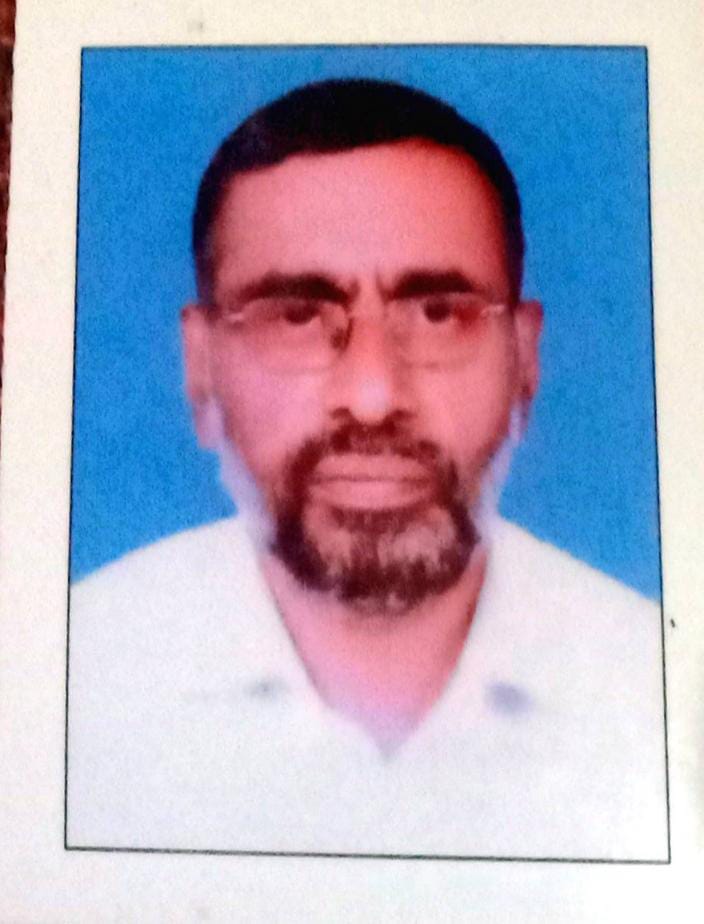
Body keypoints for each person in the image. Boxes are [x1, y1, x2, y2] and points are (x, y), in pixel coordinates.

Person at [67, 78, 667, 859]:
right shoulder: (71, 683)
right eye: (296, 316)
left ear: (525, 359)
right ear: (201, 366)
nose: (375, 396)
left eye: (439, 313)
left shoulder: (657, 687)